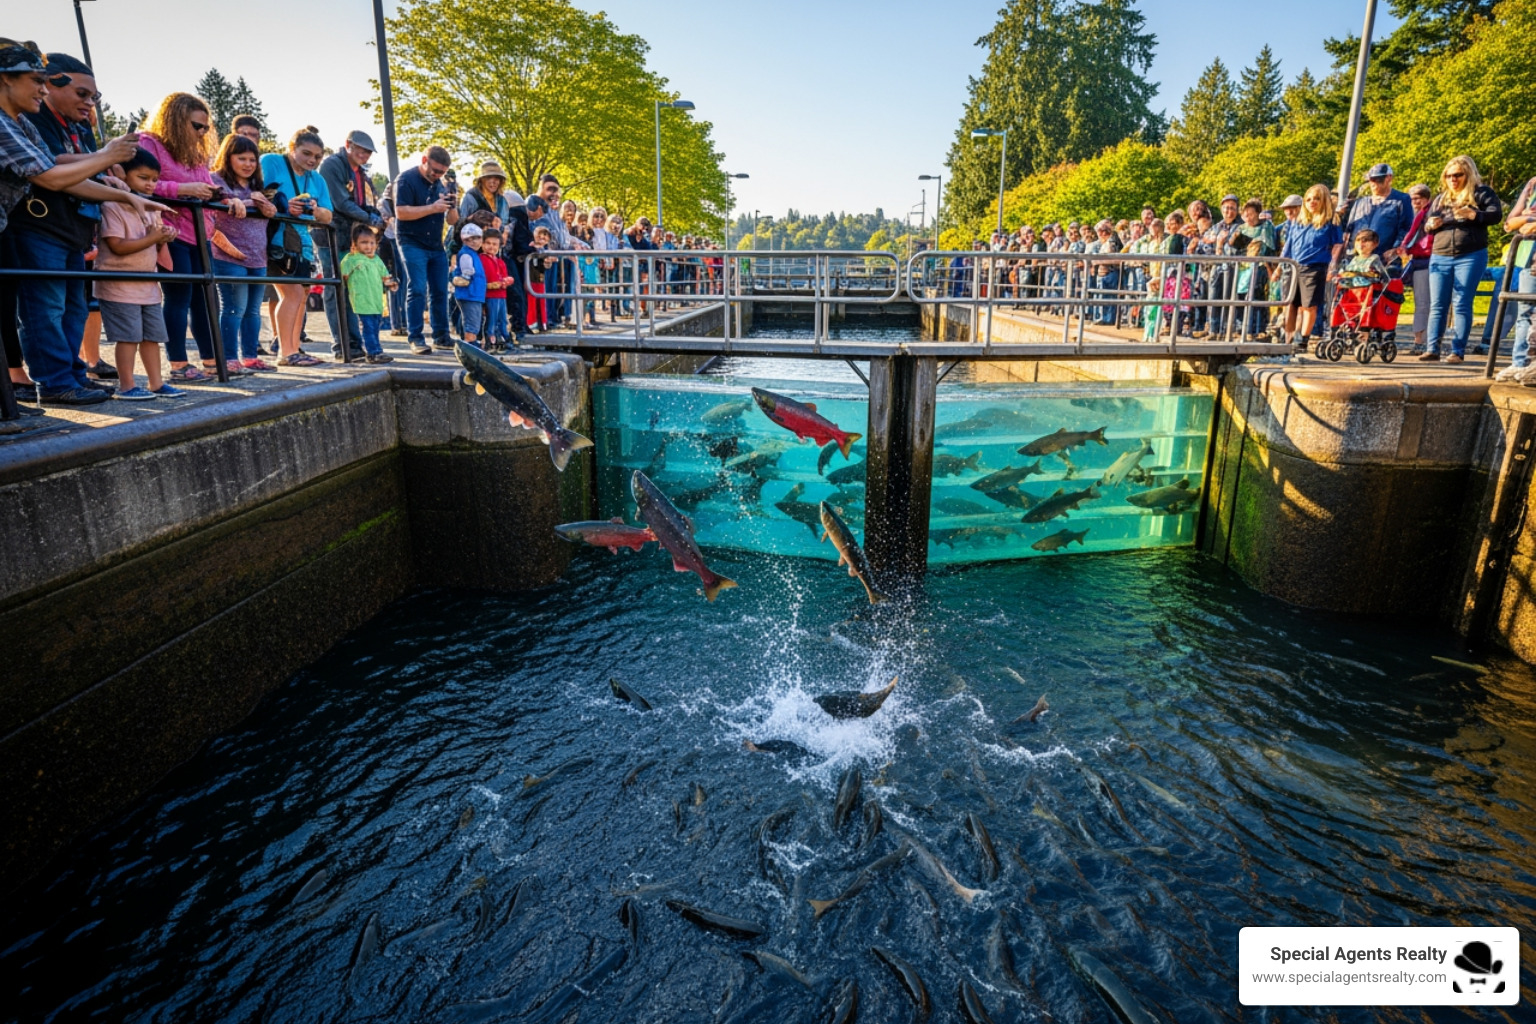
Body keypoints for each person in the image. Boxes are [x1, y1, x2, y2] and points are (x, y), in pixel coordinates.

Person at [0, 40, 159, 406]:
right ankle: (54, 382)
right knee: (45, 307)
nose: (41, 88)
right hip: (37, 228)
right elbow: (49, 176)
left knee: (70, 307)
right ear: (6, 79)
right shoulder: (17, 120)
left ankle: (67, 377)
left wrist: (126, 195)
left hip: (66, 231)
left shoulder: (22, 122)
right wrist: (106, 157)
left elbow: (61, 172)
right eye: (36, 80)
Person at [139, 92, 249, 381]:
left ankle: (211, 360)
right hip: (169, 232)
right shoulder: (149, 143)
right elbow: (141, 183)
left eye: (205, 128)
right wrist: (184, 190)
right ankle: (177, 363)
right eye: (196, 126)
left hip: (200, 234)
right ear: (175, 121)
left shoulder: (196, 153)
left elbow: (208, 184)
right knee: (178, 296)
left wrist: (227, 198)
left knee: (204, 297)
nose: (201, 132)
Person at [95, 147, 182, 399]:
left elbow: (153, 246)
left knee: (152, 337)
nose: (150, 185)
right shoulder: (112, 205)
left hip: (148, 284)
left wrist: (163, 238)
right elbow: (117, 246)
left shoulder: (153, 208)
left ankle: (157, 383)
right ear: (122, 174)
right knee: (128, 337)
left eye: (154, 180)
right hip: (119, 284)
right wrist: (153, 237)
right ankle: (127, 385)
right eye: (143, 178)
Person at [1420, 155, 1503, 363]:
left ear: (1469, 174)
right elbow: (1426, 225)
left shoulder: (1482, 193)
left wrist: (1475, 215)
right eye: (1448, 176)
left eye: (1457, 175)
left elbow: (1496, 215)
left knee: (1462, 303)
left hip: (1470, 254)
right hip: (1440, 253)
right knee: (1438, 304)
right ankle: (1432, 349)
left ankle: (1457, 351)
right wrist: (1431, 225)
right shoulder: (1441, 198)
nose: (1452, 179)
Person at [260, 127, 332, 366]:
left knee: (300, 296)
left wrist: (315, 209)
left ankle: (293, 349)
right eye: (306, 153)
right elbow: (259, 194)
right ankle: (285, 351)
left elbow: (328, 216)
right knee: (290, 293)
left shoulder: (317, 179)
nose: (312, 160)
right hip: (277, 240)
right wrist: (284, 206)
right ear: (291, 149)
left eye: (317, 157)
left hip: (303, 243)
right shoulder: (271, 161)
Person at [209, 134, 277, 371]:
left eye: (252, 159)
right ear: (228, 158)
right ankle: (228, 358)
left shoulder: (257, 186)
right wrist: (250, 202)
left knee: (252, 310)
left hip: (258, 255)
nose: (248, 164)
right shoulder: (216, 180)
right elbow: (219, 202)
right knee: (233, 307)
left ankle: (250, 355)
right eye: (242, 158)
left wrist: (269, 208)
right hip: (228, 254)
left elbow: (269, 211)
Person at [318, 130, 382, 359]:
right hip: (330, 235)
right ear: (348, 145)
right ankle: (342, 344)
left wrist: (373, 212)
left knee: (351, 291)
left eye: (367, 152)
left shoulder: (361, 173)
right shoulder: (332, 165)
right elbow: (340, 202)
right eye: (361, 149)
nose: (364, 155)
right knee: (336, 288)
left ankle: (354, 344)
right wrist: (368, 218)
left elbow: (359, 203)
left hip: (349, 236)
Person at [393, 146, 459, 355]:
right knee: (418, 288)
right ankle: (416, 337)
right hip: (411, 241)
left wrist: (452, 206)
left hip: (435, 245)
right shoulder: (406, 180)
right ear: (424, 160)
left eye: (442, 172)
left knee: (440, 290)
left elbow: (452, 221)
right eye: (435, 170)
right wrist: (432, 208)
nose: (438, 175)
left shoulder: (441, 185)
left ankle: (441, 335)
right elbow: (401, 213)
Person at [1279, 183, 1343, 351]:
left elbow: (1337, 245)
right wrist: (1280, 265)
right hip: (1294, 266)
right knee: (1291, 303)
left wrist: (1332, 266)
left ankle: (1303, 339)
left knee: (1309, 305)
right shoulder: (1298, 221)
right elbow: (1289, 245)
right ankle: (1288, 337)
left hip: (1315, 266)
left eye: (1316, 199)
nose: (1312, 202)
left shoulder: (1331, 221)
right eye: (1308, 199)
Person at [340, 224, 396, 364]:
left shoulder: (376, 259)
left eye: (372, 243)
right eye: (364, 243)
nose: (368, 246)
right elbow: (343, 276)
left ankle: (375, 350)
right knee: (368, 327)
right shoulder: (351, 259)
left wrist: (391, 283)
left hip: (376, 300)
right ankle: (374, 352)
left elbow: (385, 276)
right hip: (362, 300)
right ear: (355, 244)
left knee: (375, 326)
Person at [1501, 176, 1536, 383]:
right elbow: (1509, 223)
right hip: (1528, 257)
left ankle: (1532, 367)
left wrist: (1527, 219)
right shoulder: (1533, 183)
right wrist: (1527, 219)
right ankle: (1519, 363)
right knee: (1525, 311)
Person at [452, 221, 486, 346]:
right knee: (472, 323)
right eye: (469, 239)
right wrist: (464, 278)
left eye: (477, 238)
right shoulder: (466, 254)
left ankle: (472, 342)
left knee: (475, 321)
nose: (474, 242)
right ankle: (470, 345)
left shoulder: (473, 254)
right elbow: (467, 271)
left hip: (475, 294)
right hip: (469, 294)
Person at [479, 227, 512, 351]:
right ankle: (489, 340)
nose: (491, 247)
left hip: (501, 295)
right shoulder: (481, 259)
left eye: (495, 244)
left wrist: (506, 281)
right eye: (488, 243)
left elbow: (504, 276)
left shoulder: (500, 261)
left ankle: (504, 338)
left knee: (503, 318)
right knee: (491, 319)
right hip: (490, 295)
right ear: (482, 244)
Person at [527, 224, 551, 331]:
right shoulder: (531, 247)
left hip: (540, 279)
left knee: (541, 301)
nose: (542, 239)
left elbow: (546, 265)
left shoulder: (545, 250)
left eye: (545, 237)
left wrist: (548, 261)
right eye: (539, 237)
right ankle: (532, 323)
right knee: (531, 301)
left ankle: (543, 323)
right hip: (531, 278)